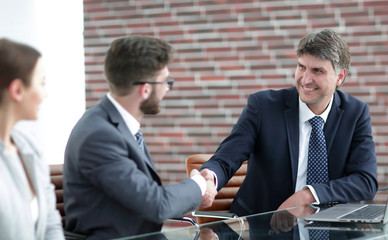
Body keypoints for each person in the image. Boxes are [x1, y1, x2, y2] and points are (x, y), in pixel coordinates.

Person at [200, 29, 378, 217]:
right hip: (261, 227)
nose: (306, 79)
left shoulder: (356, 113)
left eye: (317, 70)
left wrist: (309, 194)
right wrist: (210, 177)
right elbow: (226, 158)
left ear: (340, 76)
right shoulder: (263, 107)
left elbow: (365, 181)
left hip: (330, 228)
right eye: (302, 67)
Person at [63, 35, 216, 239]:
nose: (167, 89)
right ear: (145, 89)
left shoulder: (117, 124)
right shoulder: (99, 135)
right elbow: (156, 205)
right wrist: (198, 185)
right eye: (166, 82)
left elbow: (143, 198)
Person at [0, 38, 65, 239]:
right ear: (17, 90)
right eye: (42, 83)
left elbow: (51, 221)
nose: (45, 94)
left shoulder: (29, 146)